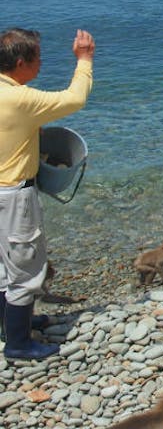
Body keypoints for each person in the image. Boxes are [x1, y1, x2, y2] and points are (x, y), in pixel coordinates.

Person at [0, 28, 94, 360]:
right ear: (22, 62)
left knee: (2, 266)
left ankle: (9, 323)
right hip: (12, 195)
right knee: (26, 269)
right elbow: (75, 98)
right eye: (38, 59)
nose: (41, 64)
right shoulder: (20, 99)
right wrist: (84, 59)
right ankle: (19, 344)